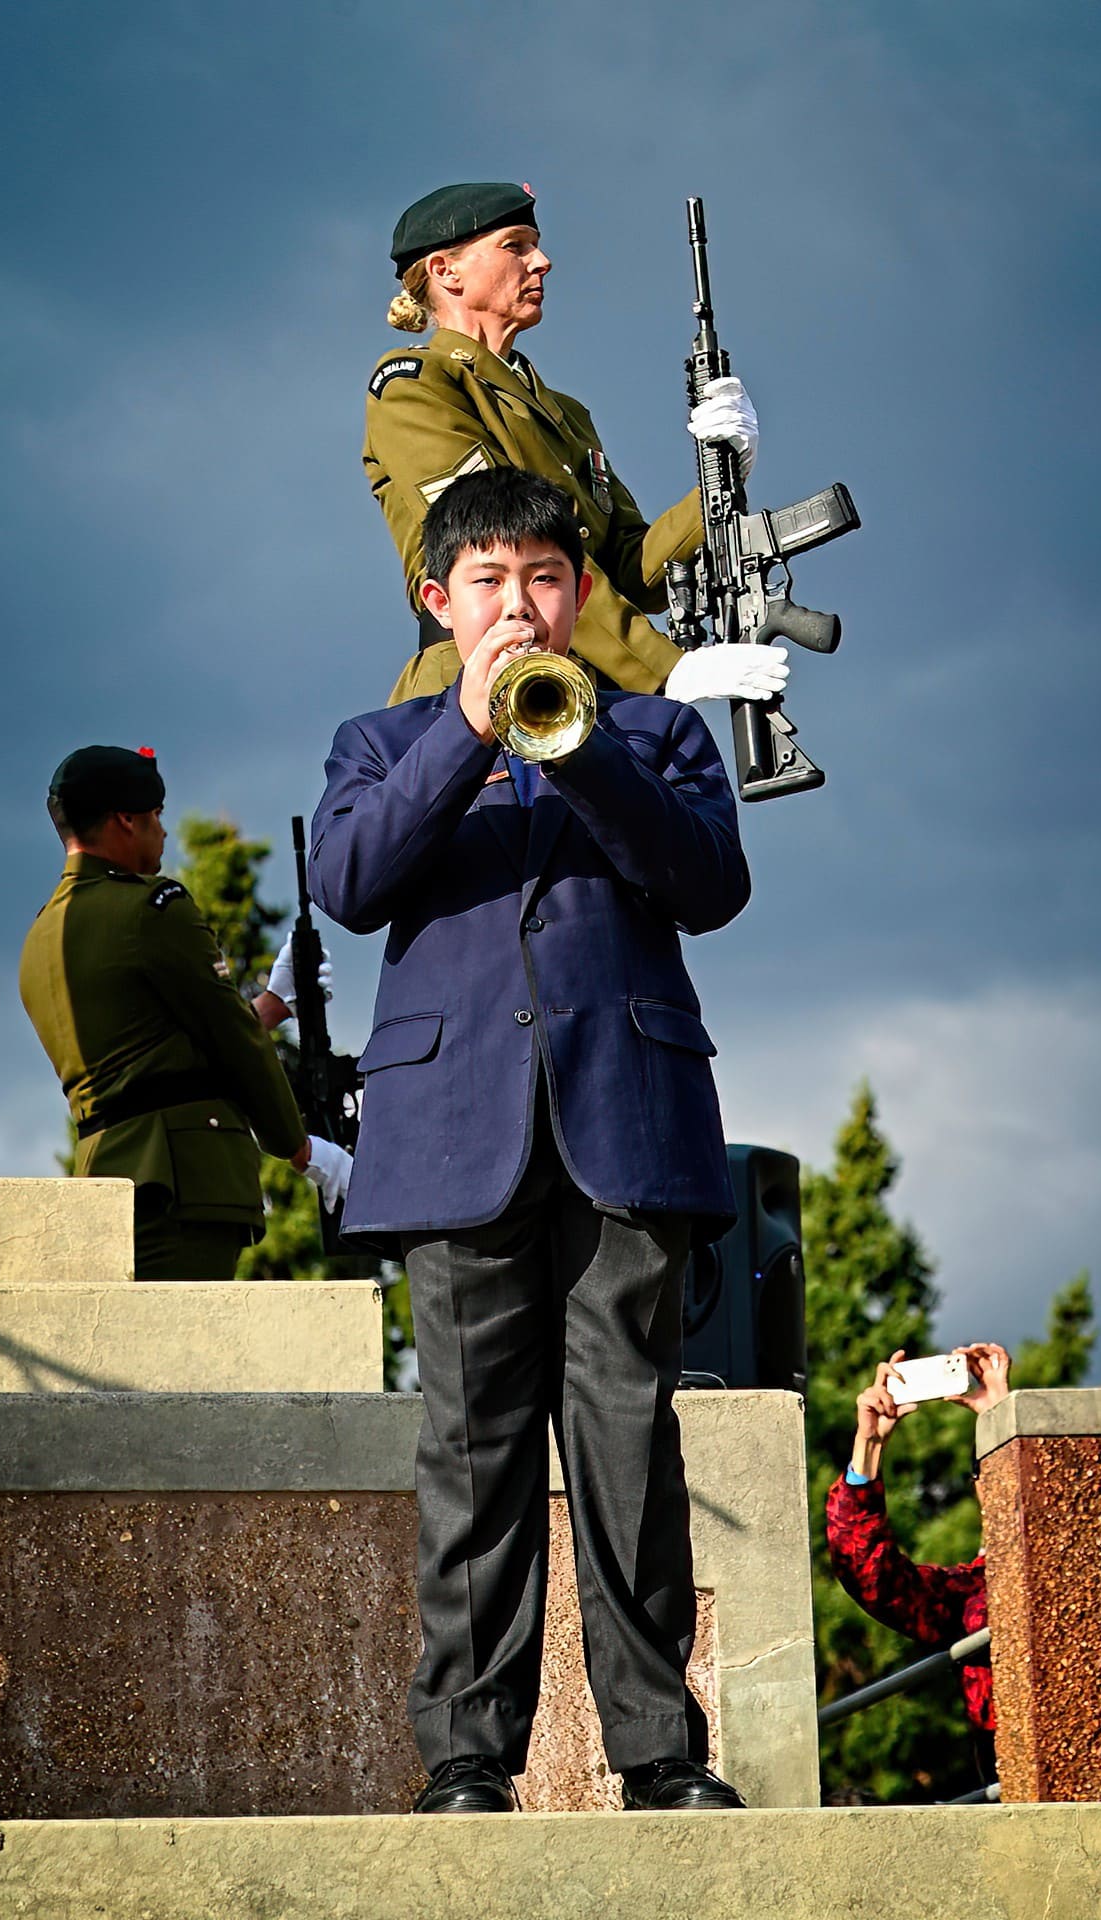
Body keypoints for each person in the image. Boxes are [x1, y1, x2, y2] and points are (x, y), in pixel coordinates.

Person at [310, 466, 750, 1814]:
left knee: (628, 1443)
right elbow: (348, 883)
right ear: (435, 601)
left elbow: (707, 884)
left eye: (543, 579)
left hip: (627, 1123)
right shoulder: (376, 743)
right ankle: (465, 1757)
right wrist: (461, 729)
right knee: (471, 1447)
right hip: (451, 1138)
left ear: (579, 596)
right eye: (488, 582)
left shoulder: (655, 735)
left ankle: (659, 1755)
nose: (518, 604)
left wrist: (584, 750)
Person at [366, 179, 790, 716]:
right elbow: (501, 539)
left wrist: (723, 472)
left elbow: (633, 571)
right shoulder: (415, 385)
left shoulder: (565, 413)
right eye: (515, 245)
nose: (542, 262)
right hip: (480, 686)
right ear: (445, 271)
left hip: (588, 692)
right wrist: (664, 667)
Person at [19, 744, 351, 1280]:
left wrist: (270, 1005)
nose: (164, 833)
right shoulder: (151, 909)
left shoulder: (41, 935)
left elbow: (148, 1050)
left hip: (105, 1179)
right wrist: (304, 1151)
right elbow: (230, 1043)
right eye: (156, 817)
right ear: (126, 820)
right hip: (180, 1181)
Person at [825, 1342, 1012, 1772]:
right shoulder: (972, 1594)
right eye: (988, 1470)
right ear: (977, 1489)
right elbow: (869, 1574)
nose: (1003, 1480)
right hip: (1019, 1799)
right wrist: (868, 1447)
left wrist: (1006, 1423)